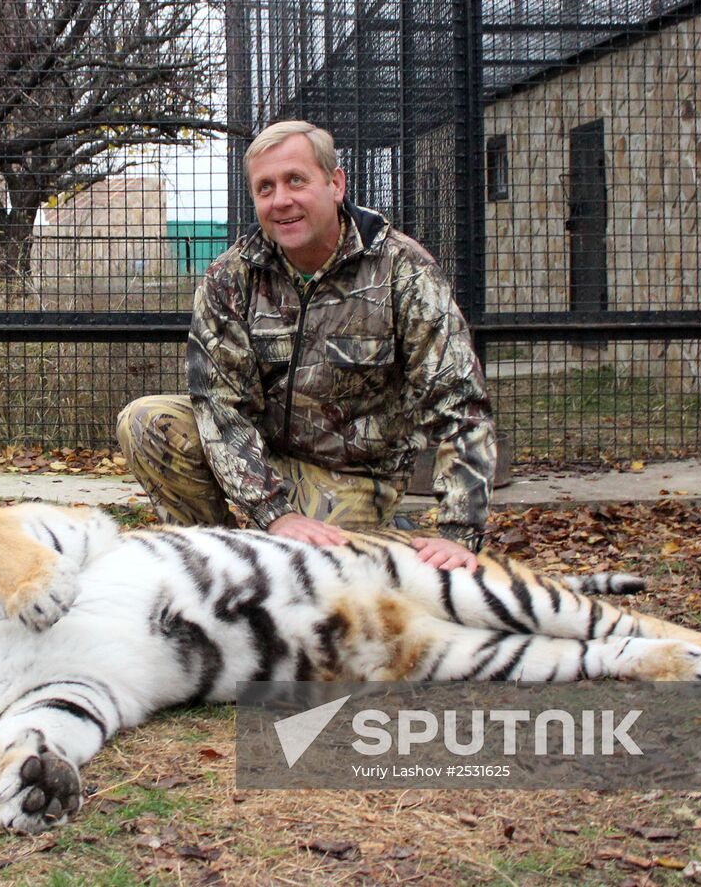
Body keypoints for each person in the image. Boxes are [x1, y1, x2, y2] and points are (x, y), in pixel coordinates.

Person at [117, 120, 496, 569]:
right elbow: (220, 408)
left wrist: (458, 531)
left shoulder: (403, 270)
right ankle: (213, 562)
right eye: (265, 188)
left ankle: (376, 535)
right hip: (264, 456)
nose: (281, 200)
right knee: (146, 421)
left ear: (335, 184)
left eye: (296, 180)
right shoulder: (230, 277)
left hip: (354, 475)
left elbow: (459, 401)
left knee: (310, 571)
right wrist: (275, 513)